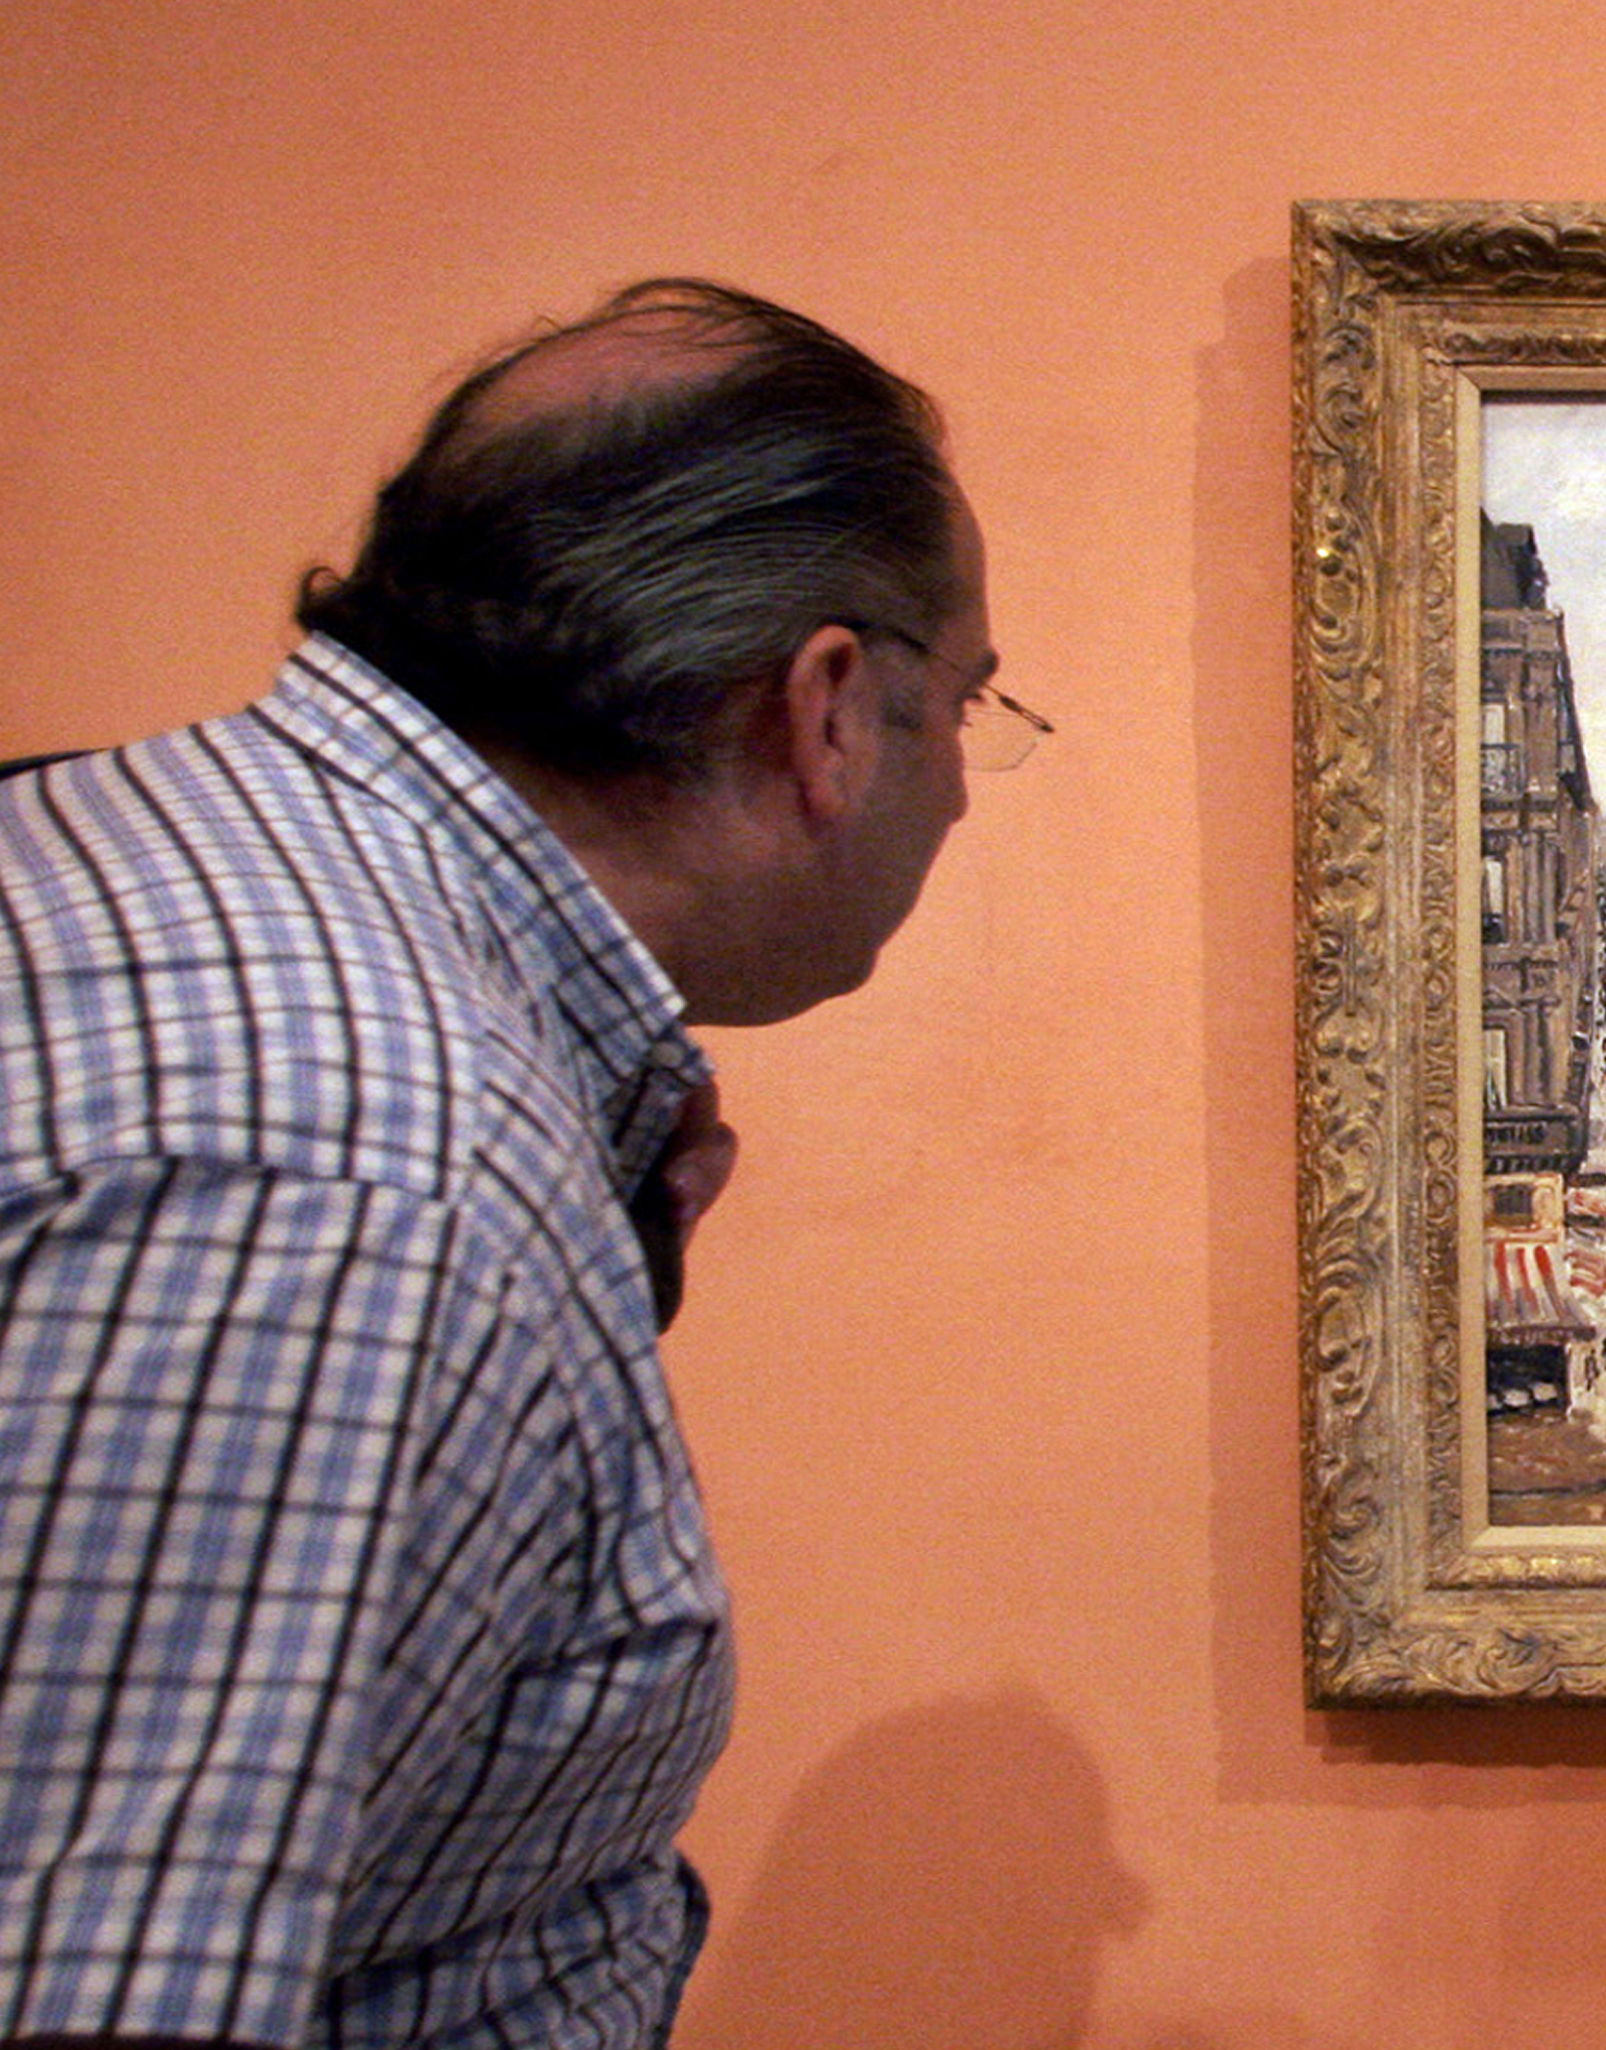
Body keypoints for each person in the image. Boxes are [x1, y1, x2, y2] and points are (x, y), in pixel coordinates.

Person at [0, 279, 1046, 2050]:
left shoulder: (146, 862)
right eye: (972, 706)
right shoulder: (348, 1176)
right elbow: (96, 1995)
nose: (959, 785)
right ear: (828, 709)